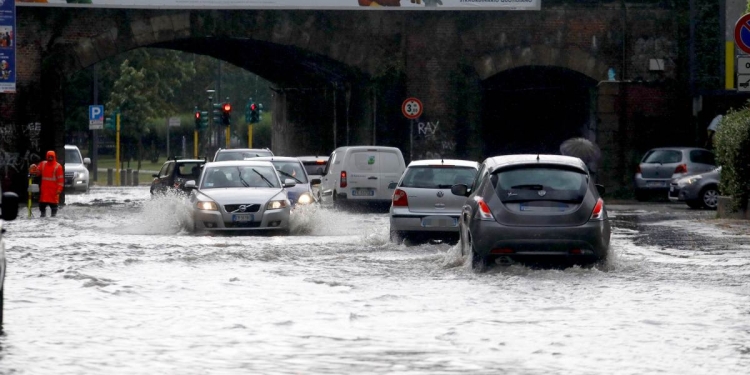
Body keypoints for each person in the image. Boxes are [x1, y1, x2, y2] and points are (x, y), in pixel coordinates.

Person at [29, 150, 64, 217]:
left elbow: (60, 180)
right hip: (45, 191)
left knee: (54, 208)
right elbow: (37, 172)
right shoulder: (43, 164)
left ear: (54, 157)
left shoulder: (58, 166)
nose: (50, 158)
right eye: (49, 157)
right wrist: (33, 171)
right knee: (42, 207)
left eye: (51, 157)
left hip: (54, 192)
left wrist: (59, 189)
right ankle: (43, 217)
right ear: (47, 157)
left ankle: (52, 219)